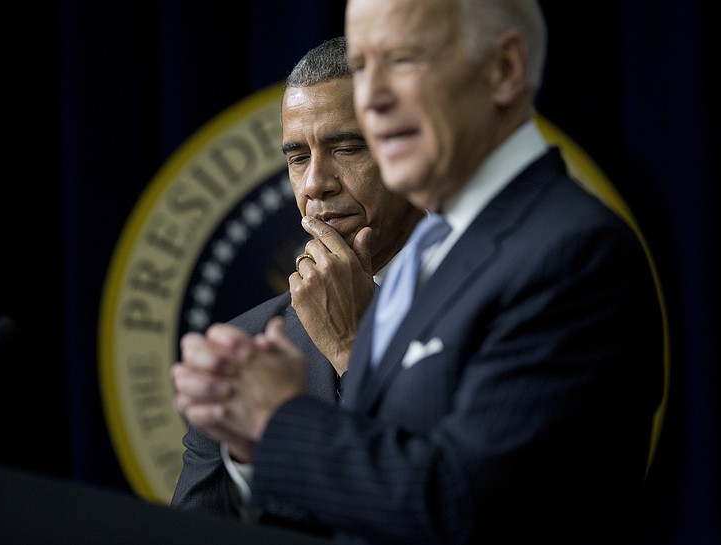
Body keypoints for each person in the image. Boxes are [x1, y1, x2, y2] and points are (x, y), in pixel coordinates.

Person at [171, 1, 665, 543]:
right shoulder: (442, 253)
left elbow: (463, 508)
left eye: (402, 60)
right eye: (363, 66)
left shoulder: (572, 256)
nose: (372, 97)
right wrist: (247, 452)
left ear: (502, 70)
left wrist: (279, 422)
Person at [169, 36, 422, 519]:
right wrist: (247, 460)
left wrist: (356, 348)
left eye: (346, 148)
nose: (314, 184)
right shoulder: (248, 345)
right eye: (298, 158)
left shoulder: (485, 305)